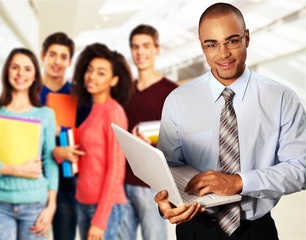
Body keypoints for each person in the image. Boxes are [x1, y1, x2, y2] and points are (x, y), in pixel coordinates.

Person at [154, 2, 306, 240]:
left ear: (246, 38)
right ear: (202, 46)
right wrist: (167, 204)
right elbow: (167, 169)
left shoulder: (281, 98)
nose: (223, 54)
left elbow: (300, 169)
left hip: (256, 232)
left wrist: (239, 182)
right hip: (195, 229)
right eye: (212, 44)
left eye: (232, 41)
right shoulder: (178, 101)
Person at [0, 48, 58, 240]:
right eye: (15, 67)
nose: (20, 74)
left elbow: (50, 162)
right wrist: (16, 170)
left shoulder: (45, 114)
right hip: (0, 204)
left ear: (35, 76)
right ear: (6, 72)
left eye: (27, 69)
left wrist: (51, 206)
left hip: (35, 202)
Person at [117, 24, 178, 240]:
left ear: (157, 49)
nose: (140, 52)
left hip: (153, 186)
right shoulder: (125, 91)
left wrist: (152, 140)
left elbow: (181, 139)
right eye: (135, 47)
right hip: (123, 181)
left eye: (145, 46)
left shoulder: (171, 91)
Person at [70, 43, 133, 240]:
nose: (92, 76)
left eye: (101, 73)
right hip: (83, 200)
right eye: (90, 70)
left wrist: (100, 219)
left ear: (113, 80)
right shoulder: (92, 110)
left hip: (104, 207)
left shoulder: (113, 112)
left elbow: (116, 169)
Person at [40, 32, 90, 240]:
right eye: (53, 54)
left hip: (66, 181)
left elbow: (86, 136)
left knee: (64, 235)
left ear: (69, 61)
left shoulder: (77, 96)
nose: (57, 61)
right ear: (43, 56)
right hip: (33, 176)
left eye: (63, 57)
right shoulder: (30, 93)